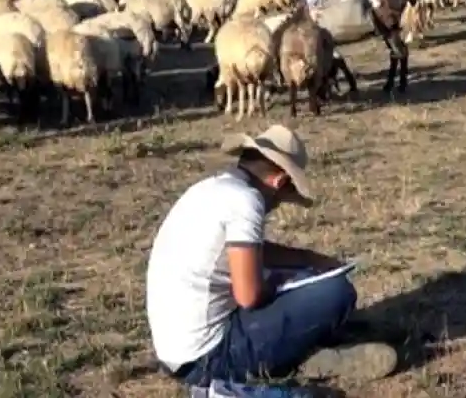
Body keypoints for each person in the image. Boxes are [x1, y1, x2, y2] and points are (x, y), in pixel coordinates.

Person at [146, 124, 398, 388]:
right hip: (208, 358)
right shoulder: (246, 201)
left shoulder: (209, 189)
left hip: (177, 353)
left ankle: (302, 350)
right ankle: (301, 358)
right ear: (279, 182)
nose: (274, 207)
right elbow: (249, 295)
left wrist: (308, 260)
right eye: (281, 199)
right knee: (336, 292)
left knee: (307, 283)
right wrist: (278, 282)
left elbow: (247, 253)